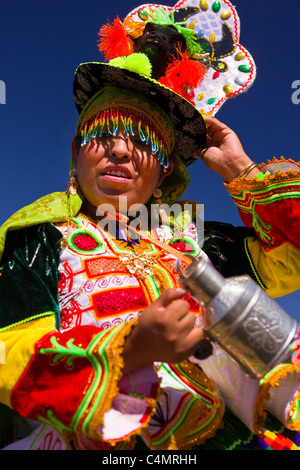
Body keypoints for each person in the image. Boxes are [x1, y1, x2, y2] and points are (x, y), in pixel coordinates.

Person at [1, 3, 300, 451]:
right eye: (102, 134)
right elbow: (10, 351)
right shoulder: (41, 237)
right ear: (76, 153)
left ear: (165, 172)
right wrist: (131, 351)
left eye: (142, 140)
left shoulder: (197, 241)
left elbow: (292, 255)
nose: (119, 151)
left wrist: (240, 168)